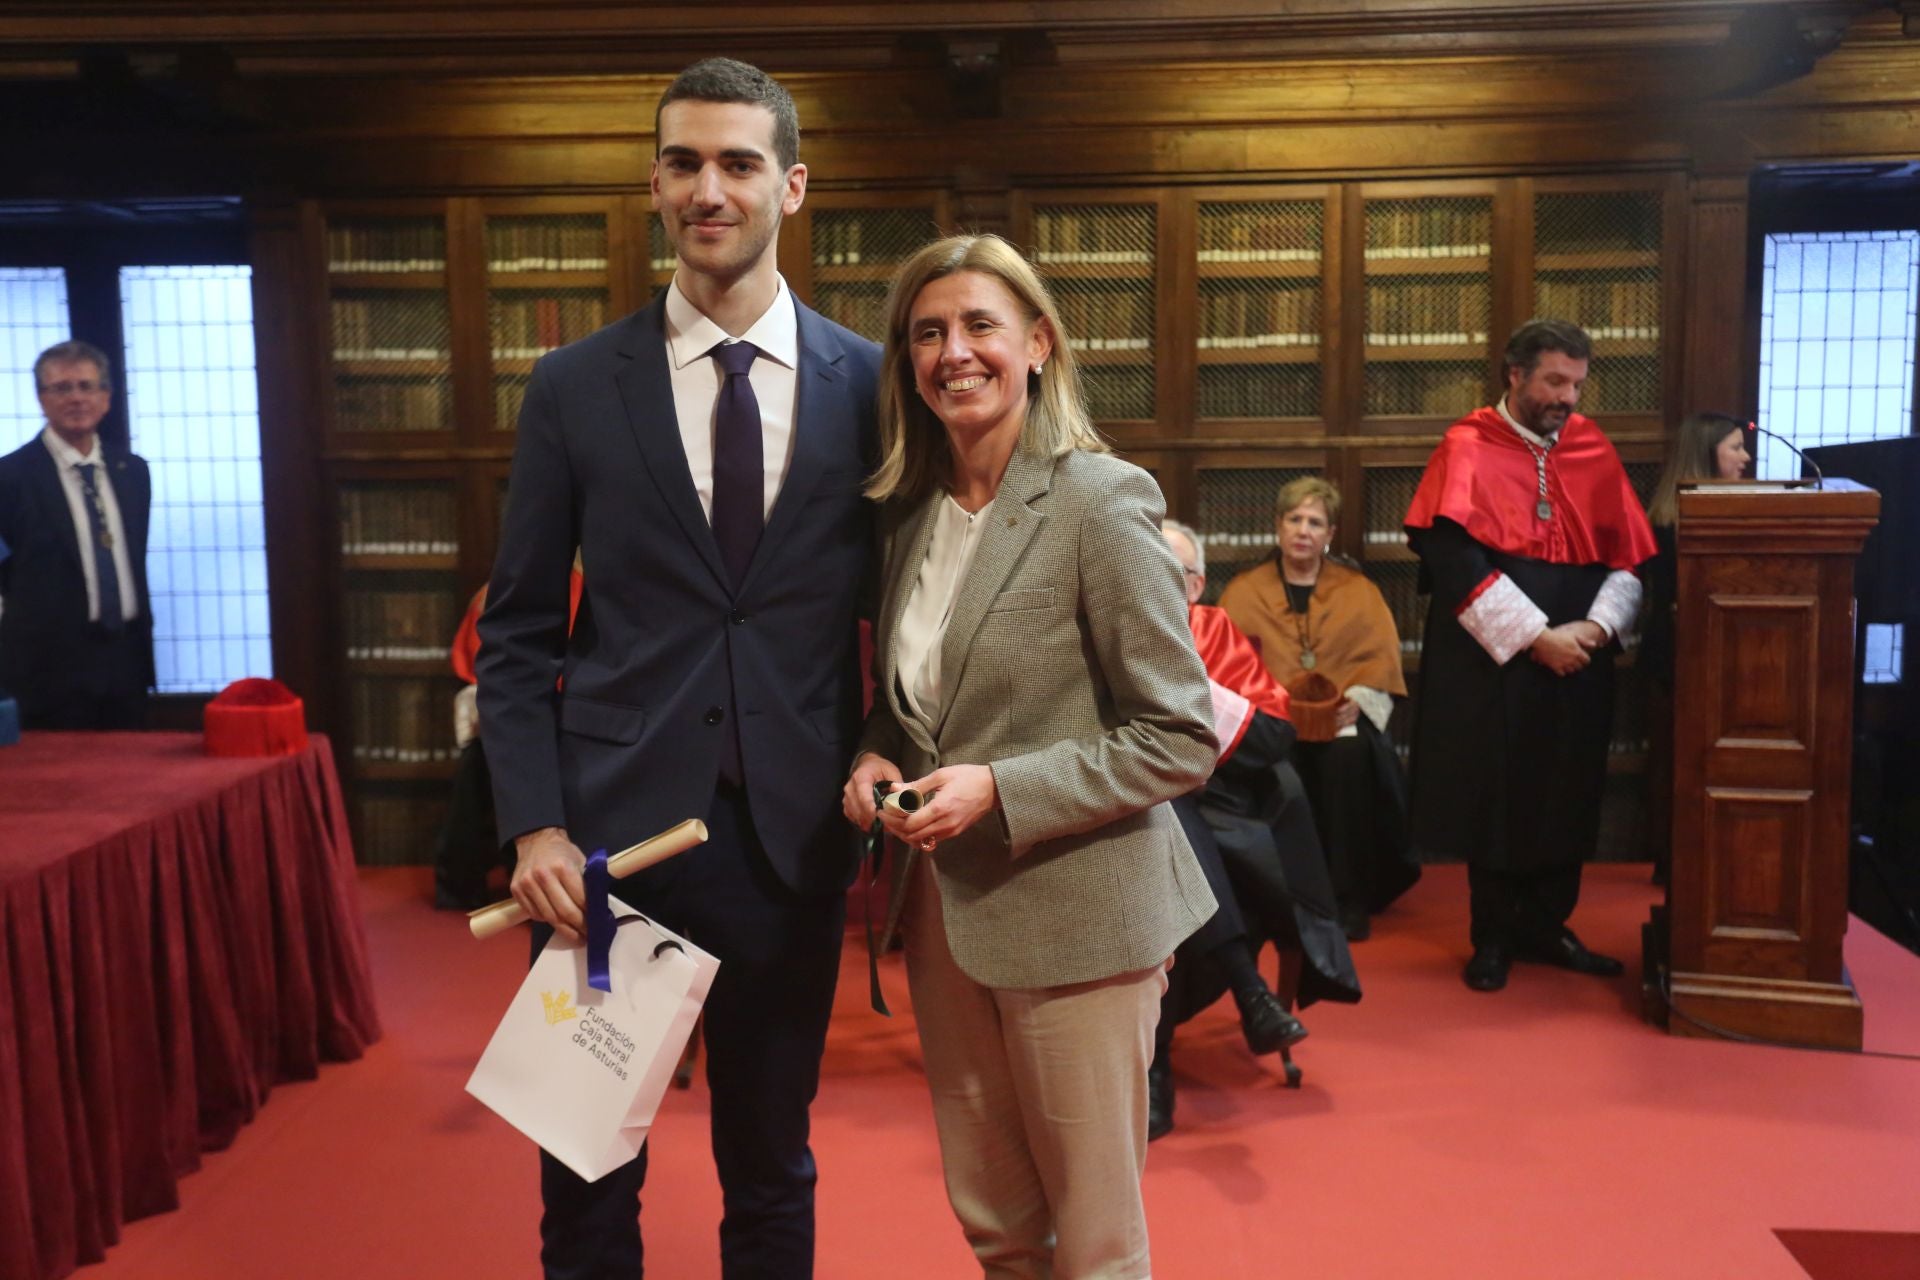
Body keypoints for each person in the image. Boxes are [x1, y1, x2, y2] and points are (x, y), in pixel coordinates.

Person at [476, 58, 881, 1280]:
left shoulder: (872, 385)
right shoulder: (570, 385)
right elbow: (519, 633)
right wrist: (535, 822)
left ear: (791, 185)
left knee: (772, 1169)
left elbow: (907, 611)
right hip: (605, 852)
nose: (711, 188)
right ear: (654, 183)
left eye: (740, 163)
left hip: (791, 839)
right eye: (684, 162)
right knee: (587, 1172)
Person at [841, 233, 1216, 1279]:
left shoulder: (1101, 498)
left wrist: (1002, 789)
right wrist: (877, 758)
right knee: (1000, 1226)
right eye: (927, 332)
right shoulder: (911, 512)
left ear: (1039, 343)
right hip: (943, 914)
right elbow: (918, 703)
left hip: (1079, 916)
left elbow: (1182, 730)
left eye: (978, 326)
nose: (953, 352)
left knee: (1094, 1246)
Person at [1403, 318, 1656, 993]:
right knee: (1500, 794)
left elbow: (1628, 559)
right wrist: (1537, 637)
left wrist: (1596, 631)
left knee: (1568, 790)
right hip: (1498, 662)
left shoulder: (1591, 447)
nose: (1567, 397)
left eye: (1576, 383)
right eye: (1553, 381)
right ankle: (1493, 936)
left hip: (1579, 660)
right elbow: (1453, 558)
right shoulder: (1467, 445)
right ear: (1514, 375)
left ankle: (1547, 924)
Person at [1150, 518, 1362, 1140]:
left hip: (1220, 804)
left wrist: (1180, 683)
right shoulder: (1105, 630)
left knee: (1174, 838)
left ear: (1197, 587)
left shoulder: (1213, 630)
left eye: (1176, 573)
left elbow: (1273, 736)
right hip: (1127, 806)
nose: (1161, 583)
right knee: (1162, 823)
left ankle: (1158, 1072)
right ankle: (1249, 995)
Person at [1216, 477, 1418, 940]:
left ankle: (1347, 898)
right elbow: (1227, 669)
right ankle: (1285, 896)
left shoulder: (1357, 590)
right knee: (1275, 765)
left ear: (1330, 534)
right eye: (1294, 519)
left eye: (1315, 522)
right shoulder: (1244, 593)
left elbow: (1378, 663)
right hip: (1272, 724)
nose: (1303, 530)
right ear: (1278, 527)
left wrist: (1359, 703)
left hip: (1338, 721)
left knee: (1349, 757)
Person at [0, 340, 153, 730]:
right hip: (47, 671)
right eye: (62, 388)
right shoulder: (10, 478)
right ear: (41, 398)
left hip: (125, 662)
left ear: (106, 397)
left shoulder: (132, 471)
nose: (76, 398)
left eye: (87, 386)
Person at [1641, 412, 1751, 882]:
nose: (1746, 458)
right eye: (1734, 448)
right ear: (1707, 456)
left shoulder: (1746, 511)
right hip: (1679, 658)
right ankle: (1675, 857)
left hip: (1731, 661)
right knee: (1676, 764)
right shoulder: (1667, 523)